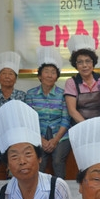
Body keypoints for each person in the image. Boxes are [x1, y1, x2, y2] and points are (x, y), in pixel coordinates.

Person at [25, 47, 71, 178]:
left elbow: (65, 120)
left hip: (61, 135)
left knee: (57, 160)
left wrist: (55, 140)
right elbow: (29, 120)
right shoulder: (31, 94)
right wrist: (41, 140)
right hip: (37, 134)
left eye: (53, 72)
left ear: (57, 77)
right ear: (40, 75)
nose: (50, 75)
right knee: (40, 160)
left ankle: (61, 189)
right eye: (46, 72)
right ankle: (38, 190)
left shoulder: (63, 94)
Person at [0, 51, 27, 180]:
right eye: (4, 73)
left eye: (11, 74)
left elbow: (22, 118)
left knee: (15, 162)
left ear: (15, 79)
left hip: (14, 136)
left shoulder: (21, 95)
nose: (7, 77)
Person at [64, 34, 100, 124]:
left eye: (88, 61)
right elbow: (72, 111)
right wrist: (86, 126)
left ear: (93, 63)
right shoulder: (71, 83)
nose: (84, 65)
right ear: (75, 65)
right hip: (80, 125)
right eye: (80, 62)